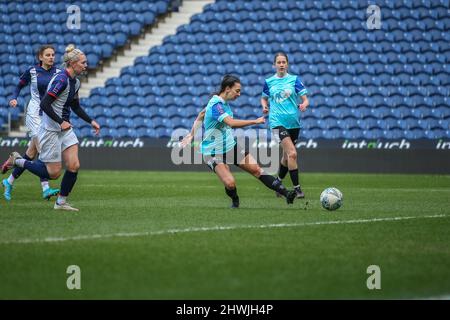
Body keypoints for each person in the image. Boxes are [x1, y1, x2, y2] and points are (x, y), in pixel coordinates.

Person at [2, 44, 100, 211]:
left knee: (74, 165)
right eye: (83, 62)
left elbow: (75, 106)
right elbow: (45, 104)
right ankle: (17, 160)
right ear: (73, 63)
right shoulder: (61, 80)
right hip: (50, 129)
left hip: (65, 130)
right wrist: (61, 121)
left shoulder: (75, 82)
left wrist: (90, 121)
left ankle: (61, 203)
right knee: (53, 173)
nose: (86, 65)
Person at [182, 74, 296, 208]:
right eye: (237, 91)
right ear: (227, 89)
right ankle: (235, 199)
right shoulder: (216, 105)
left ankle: (287, 194)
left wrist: (191, 134)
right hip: (212, 152)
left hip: (230, 146)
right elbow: (230, 123)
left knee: (257, 170)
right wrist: (255, 121)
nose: (239, 94)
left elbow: (201, 114)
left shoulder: (222, 104)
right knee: (230, 183)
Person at [3, 45, 61, 201]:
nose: (51, 57)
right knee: (43, 148)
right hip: (34, 113)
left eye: (53, 55)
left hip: (47, 115)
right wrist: (14, 97)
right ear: (40, 57)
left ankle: (9, 181)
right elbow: (19, 85)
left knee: (31, 153)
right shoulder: (32, 71)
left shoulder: (57, 73)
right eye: (48, 55)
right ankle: (46, 188)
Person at [261, 52, 309, 198]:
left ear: (287, 64)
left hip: (293, 123)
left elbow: (305, 99)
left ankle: (277, 183)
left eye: (283, 62)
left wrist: (304, 104)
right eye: (279, 62)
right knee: (293, 153)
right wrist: (264, 106)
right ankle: (297, 189)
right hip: (276, 123)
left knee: (286, 157)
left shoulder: (294, 80)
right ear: (274, 65)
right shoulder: (269, 82)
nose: (281, 64)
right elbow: (263, 98)